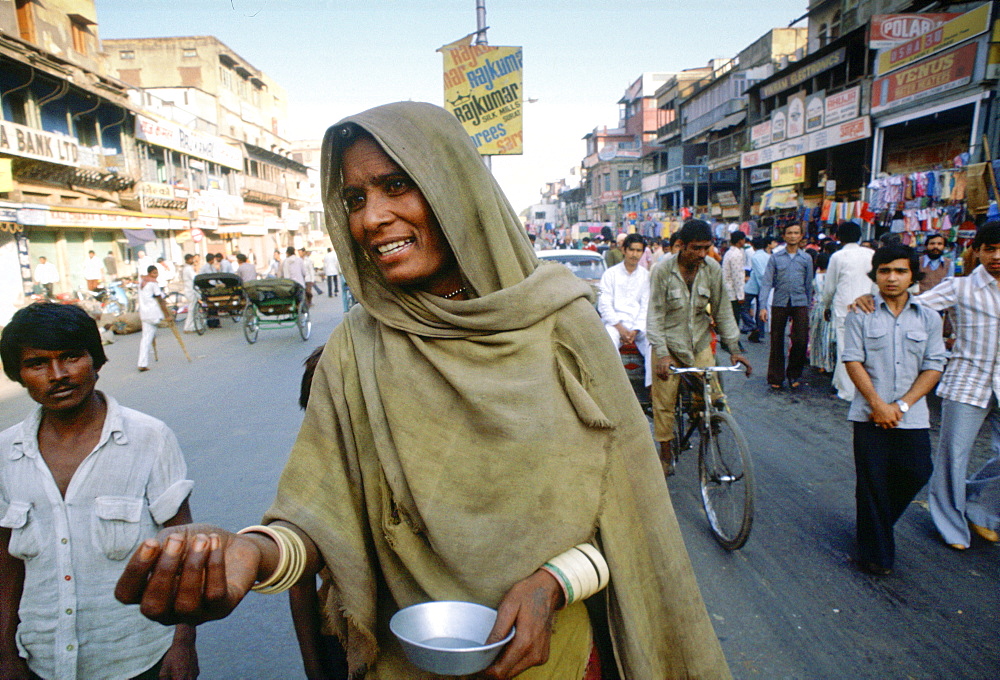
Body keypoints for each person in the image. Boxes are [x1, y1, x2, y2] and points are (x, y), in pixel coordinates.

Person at [114, 101, 732, 680]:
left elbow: (630, 517)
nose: (371, 218)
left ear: (455, 190)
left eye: (395, 185)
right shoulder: (357, 347)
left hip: (560, 660)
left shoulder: (562, 324)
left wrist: (551, 584)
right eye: (353, 197)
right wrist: (249, 553)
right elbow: (321, 519)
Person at [0, 303, 198, 680]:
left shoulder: (149, 438)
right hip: (40, 659)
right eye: (37, 363)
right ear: (19, 374)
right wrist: (5, 654)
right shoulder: (5, 454)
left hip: (139, 657)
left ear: (96, 361)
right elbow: (6, 566)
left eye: (71, 357)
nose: (57, 375)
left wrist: (183, 644)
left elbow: (184, 550)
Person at [853, 221, 1000, 550]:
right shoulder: (959, 288)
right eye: (989, 248)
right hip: (968, 382)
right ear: (976, 251)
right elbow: (909, 303)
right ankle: (952, 527)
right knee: (954, 458)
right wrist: (872, 297)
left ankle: (978, 505)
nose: (996, 256)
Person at [842, 245, 946, 575]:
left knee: (917, 471)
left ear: (913, 275)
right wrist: (877, 404)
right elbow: (852, 360)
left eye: (900, 271)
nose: (892, 278)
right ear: (875, 274)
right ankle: (876, 556)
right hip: (868, 412)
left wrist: (901, 405)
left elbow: (934, 365)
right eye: (885, 270)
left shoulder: (929, 317)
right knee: (872, 481)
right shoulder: (861, 312)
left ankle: (873, 527)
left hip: (910, 414)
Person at [647, 219, 752, 475]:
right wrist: (661, 354)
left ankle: (709, 435)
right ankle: (666, 451)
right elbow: (655, 316)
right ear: (681, 245)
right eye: (696, 248)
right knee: (664, 401)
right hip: (668, 345)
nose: (702, 254)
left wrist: (735, 349)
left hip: (700, 343)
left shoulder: (712, 268)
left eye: (706, 247)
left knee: (711, 397)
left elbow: (723, 311)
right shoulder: (662, 270)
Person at [821, 222, 874, 401]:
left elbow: (830, 287)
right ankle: (844, 383)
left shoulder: (838, 256)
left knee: (845, 348)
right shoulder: (871, 254)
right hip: (869, 306)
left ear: (838, 237)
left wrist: (826, 305)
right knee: (865, 348)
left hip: (844, 306)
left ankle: (847, 390)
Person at [759, 223, 813, 389]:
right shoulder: (775, 258)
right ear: (784, 236)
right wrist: (763, 306)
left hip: (800, 302)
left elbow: (808, 284)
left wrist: (809, 307)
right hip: (780, 302)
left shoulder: (806, 259)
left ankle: (794, 374)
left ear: (801, 236)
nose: (792, 236)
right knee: (776, 339)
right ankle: (776, 377)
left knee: (801, 340)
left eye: (796, 233)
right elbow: (767, 282)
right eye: (789, 233)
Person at [598, 233, 652, 387]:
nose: (635, 255)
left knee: (654, 343)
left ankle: (652, 389)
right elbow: (604, 304)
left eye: (639, 251)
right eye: (632, 250)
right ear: (624, 250)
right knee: (607, 341)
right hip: (614, 325)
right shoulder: (610, 274)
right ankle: (614, 388)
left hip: (639, 326)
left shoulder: (646, 276)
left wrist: (635, 330)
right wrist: (620, 328)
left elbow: (646, 306)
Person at [808, 252, 836, 374]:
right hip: (829, 307)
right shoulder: (832, 276)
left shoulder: (815, 276)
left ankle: (818, 362)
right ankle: (828, 363)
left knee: (816, 335)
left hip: (817, 307)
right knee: (827, 337)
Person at [137, 266, 169, 372]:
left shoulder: (141, 283)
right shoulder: (153, 284)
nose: (156, 275)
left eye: (157, 273)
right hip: (153, 313)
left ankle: (142, 363)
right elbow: (160, 299)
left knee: (145, 338)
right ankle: (142, 363)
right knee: (147, 338)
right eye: (154, 273)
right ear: (150, 273)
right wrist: (167, 314)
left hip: (144, 313)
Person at [744, 236, 774, 343]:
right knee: (760, 309)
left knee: (743, 308)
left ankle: (752, 326)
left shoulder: (755, 257)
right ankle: (758, 331)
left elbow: (760, 274)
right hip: (764, 286)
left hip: (753, 286)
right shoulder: (768, 256)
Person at [722, 230, 747, 330]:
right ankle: (733, 341)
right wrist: (740, 295)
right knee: (734, 319)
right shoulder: (736, 254)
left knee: (729, 318)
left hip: (727, 290)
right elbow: (737, 276)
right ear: (740, 241)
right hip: (732, 292)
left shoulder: (729, 252)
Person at [180, 254, 198, 334]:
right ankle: (188, 327)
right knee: (192, 309)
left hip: (189, 290)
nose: (193, 261)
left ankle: (193, 326)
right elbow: (195, 278)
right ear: (188, 260)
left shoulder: (186, 268)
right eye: (191, 259)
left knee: (193, 308)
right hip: (190, 290)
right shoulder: (188, 269)